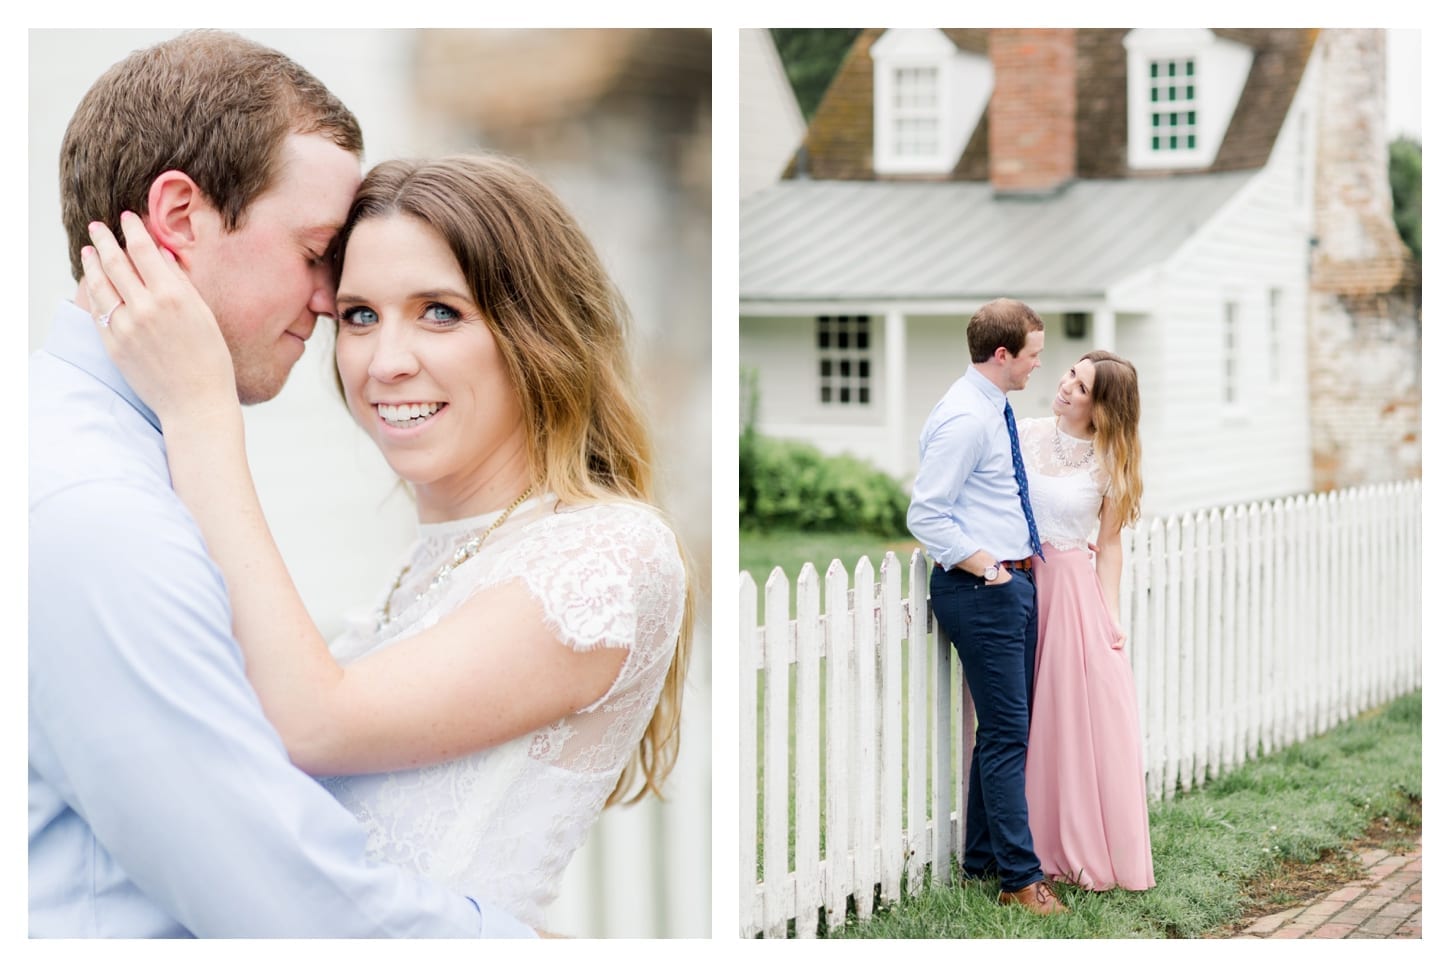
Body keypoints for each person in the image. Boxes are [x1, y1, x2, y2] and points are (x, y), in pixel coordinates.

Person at [79, 152, 693, 933]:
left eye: (440, 311)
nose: (386, 363)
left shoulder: (608, 556)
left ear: (540, 331)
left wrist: (198, 410)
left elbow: (313, 722)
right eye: (360, 316)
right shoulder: (430, 567)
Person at [29, 31, 535, 937]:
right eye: (314, 253)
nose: (329, 301)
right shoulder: (97, 510)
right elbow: (272, 893)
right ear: (180, 216)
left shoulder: (77, 447)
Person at [906, 298, 1067, 915]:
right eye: (1032, 355)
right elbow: (926, 512)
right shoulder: (965, 419)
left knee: (1001, 734)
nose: (1037, 367)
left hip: (1011, 584)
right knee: (1006, 737)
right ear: (1002, 355)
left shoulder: (991, 406)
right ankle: (1020, 882)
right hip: (984, 590)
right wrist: (990, 568)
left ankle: (981, 862)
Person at [1020, 350, 1155, 891]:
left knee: (1073, 718)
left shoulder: (1108, 465)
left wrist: (1111, 615)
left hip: (1073, 594)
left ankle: (1070, 847)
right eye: (1072, 373)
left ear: (1102, 409)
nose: (1067, 385)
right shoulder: (1024, 433)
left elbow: (1110, 545)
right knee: (1022, 717)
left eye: (1082, 385)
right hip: (1020, 583)